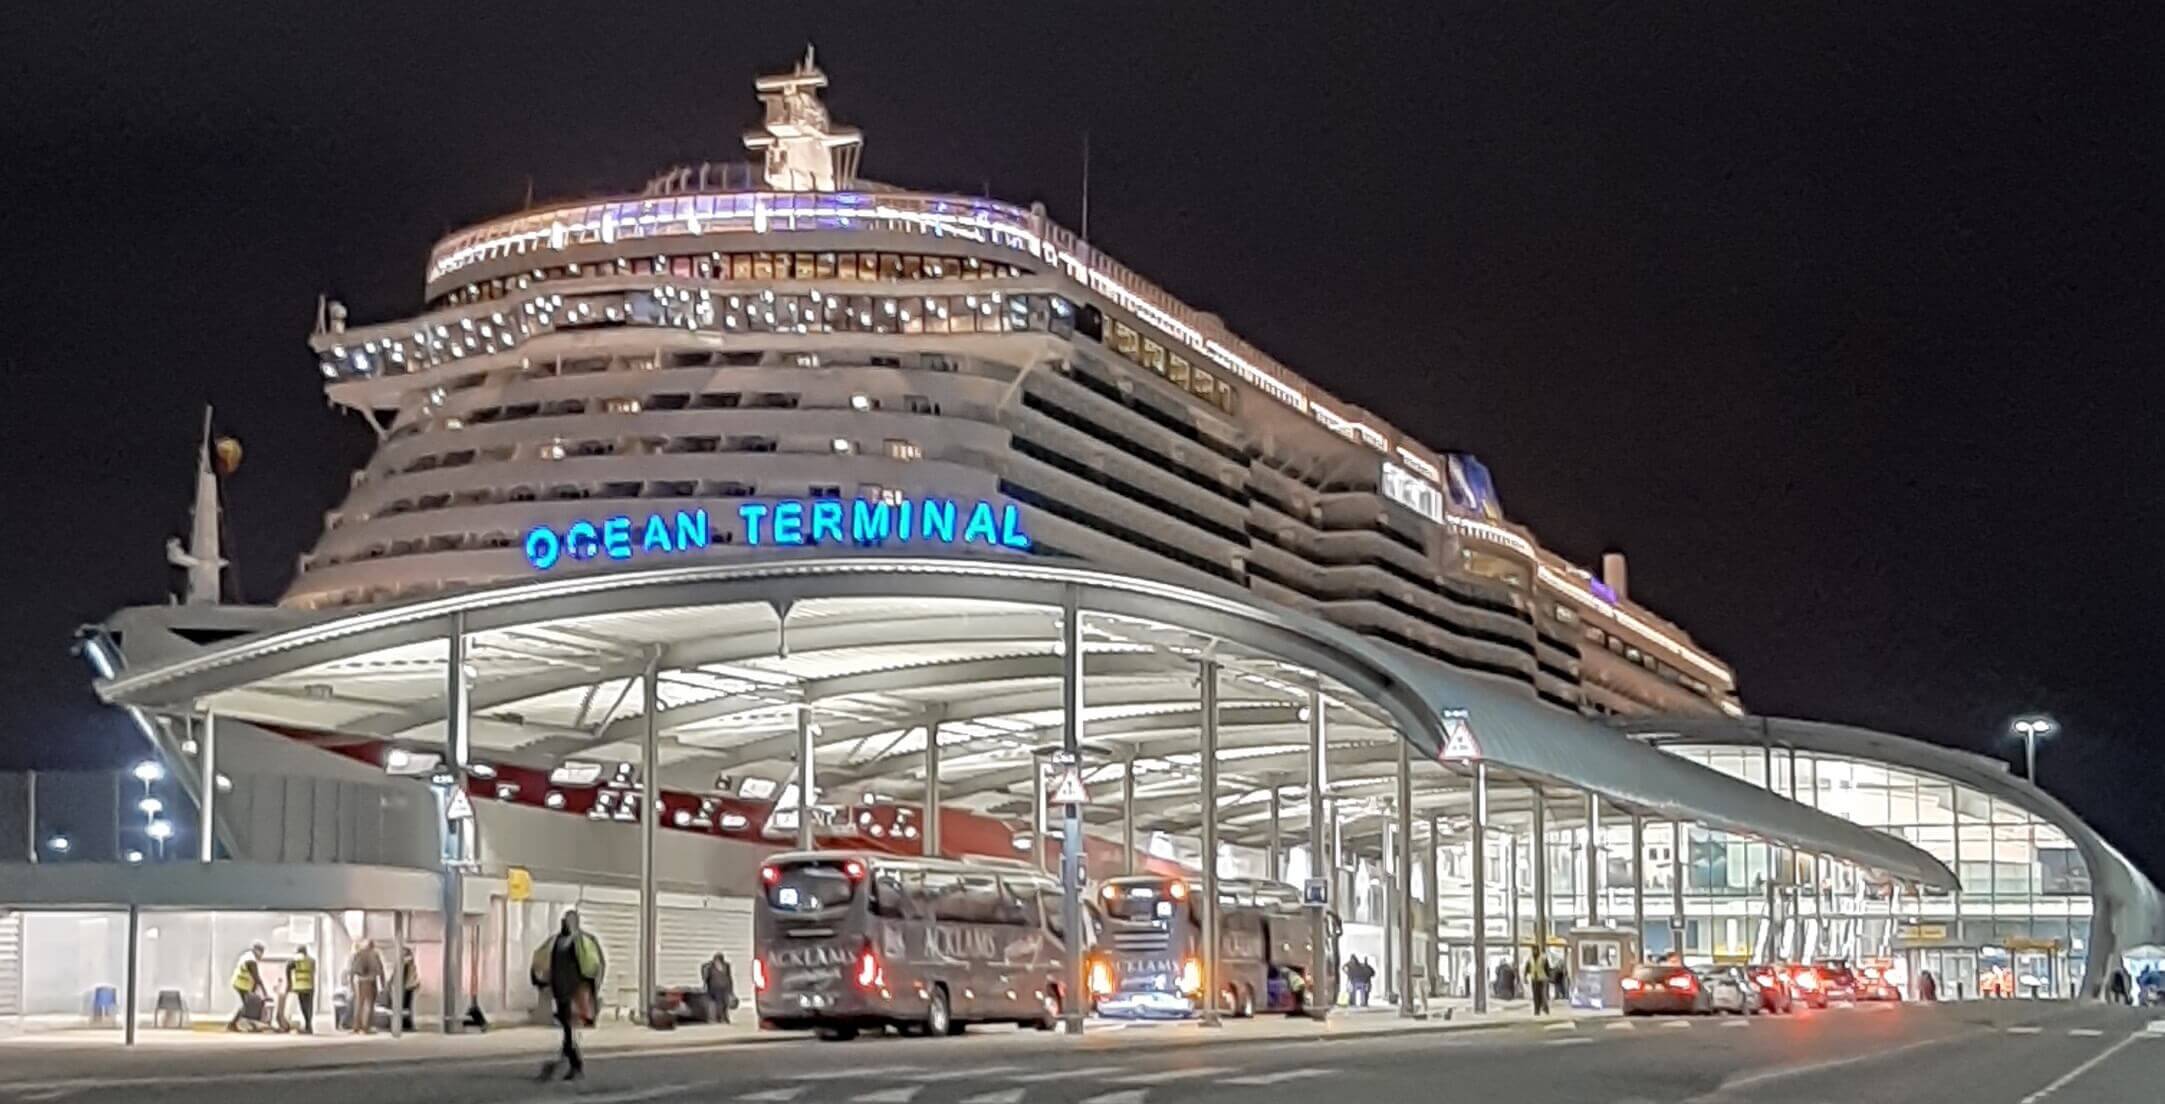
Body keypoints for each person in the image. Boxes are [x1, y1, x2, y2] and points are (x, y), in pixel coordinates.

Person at [534, 910, 605, 1082]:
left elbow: (592, 967)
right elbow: (550, 964)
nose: (564, 924)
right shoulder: (557, 941)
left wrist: (590, 991)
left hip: (573, 991)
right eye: (563, 921)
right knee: (567, 1030)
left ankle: (572, 1064)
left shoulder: (579, 942)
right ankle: (571, 1064)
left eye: (567, 921)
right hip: (561, 990)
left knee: (568, 1028)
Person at [227, 942, 268, 1032]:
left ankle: (240, 1024)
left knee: (248, 1004)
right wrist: (265, 993)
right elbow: (256, 978)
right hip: (239, 984)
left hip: (242, 985)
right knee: (244, 1005)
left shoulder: (248, 956)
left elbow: (253, 978)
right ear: (257, 951)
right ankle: (232, 1024)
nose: (262, 955)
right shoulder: (251, 960)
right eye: (261, 952)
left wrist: (253, 990)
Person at [348, 939, 385, 1034]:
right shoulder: (374, 954)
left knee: (359, 1005)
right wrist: (383, 983)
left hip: (360, 982)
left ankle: (356, 1026)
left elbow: (352, 969)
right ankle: (366, 1027)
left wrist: (351, 983)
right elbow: (380, 969)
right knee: (369, 1005)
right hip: (371, 981)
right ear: (372, 945)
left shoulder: (358, 954)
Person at [286, 945, 317, 1034]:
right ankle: (309, 1025)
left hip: (300, 986)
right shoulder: (311, 960)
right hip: (310, 986)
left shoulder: (296, 960)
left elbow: (288, 967)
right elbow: (313, 971)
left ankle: (308, 1026)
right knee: (309, 1006)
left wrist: (289, 982)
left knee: (304, 1006)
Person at [701, 952, 735, 1024]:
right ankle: (721, 1017)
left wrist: (731, 989)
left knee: (726, 1003)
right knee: (719, 1003)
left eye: (720, 959)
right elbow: (705, 974)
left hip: (725, 987)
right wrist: (705, 985)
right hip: (715, 987)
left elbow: (729, 977)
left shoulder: (726, 966)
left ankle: (725, 1017)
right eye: (717, 959)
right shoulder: (710, 966)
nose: (718, 961)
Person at [399, 946, 421, 1031]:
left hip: (406, 987)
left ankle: (405, 1023)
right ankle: (407, 1023)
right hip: (408, 987)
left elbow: (406, 976)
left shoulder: (406, 963)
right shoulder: (409, 962)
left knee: (405, 1006)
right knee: (407, 1007)